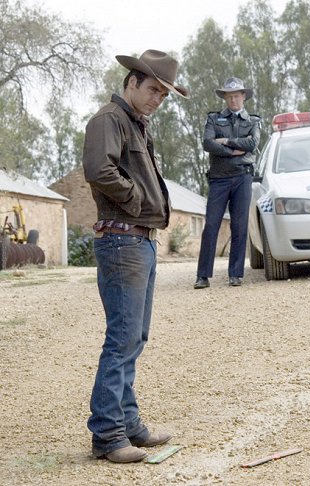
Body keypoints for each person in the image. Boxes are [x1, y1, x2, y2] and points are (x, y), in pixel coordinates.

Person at [82, 49, 189, 463]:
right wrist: (137, 199)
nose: (157, 99)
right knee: (122, 338)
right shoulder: (109, 120)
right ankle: (108, 436)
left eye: (163, 94)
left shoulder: (135, 125)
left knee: (134, 338)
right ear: (131, 82)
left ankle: (128, 425)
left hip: (138, 241)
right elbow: (98, 170)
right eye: (152, 90)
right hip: (122, 241)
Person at [194, 77, 261, 289]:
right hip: (219, 179)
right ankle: (203, 276)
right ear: (225, 98)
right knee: (212, 225)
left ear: (243, 97)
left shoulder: (253, 121)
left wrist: (226, 142)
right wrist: (233, 151)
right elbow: (207, 143)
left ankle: (236, 274)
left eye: (237, 96)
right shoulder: (214, 119)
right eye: (229, 96)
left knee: (239, 226)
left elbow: (252, 143)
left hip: (242, 177)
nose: (233, 100)